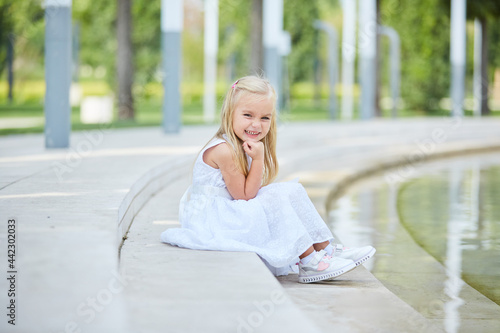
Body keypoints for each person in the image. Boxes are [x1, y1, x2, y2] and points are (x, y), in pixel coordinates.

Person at [161, 75, 375, 283]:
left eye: (265, 117)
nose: (256, 124)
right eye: (248, 115)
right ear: (230, 114)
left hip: (227, 211)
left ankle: (325, 249)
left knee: (292, 190)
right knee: (276, 197)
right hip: (213, 221)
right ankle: (309, 261)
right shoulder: (224, 150)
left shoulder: (240, 143)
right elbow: (245, 196)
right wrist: (259, 159)